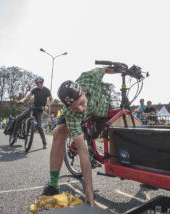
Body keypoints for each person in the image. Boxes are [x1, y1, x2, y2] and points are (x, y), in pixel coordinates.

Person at [41, 66, 117, 205]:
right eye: (76, 107)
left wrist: (121, 69)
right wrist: (89, 190)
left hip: (101, 108)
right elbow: (83, 152)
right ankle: (53, 184)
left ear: (84, 91)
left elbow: (105, 69)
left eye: (81, 103)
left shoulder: (90, 77)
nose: (81, 109)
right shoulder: (71, 113)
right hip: (77, 120)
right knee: (59, 131)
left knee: (121, 121)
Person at [15, 77, 53, 148]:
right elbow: (27, 96)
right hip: (33, 108)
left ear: (42, 83)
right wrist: (22, 100)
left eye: (38, 83)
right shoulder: (35, 90)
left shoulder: (47, 90)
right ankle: (15, 134)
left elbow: (51, 100)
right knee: (20, 117)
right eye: (36, 83)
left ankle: (44, 143)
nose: (37, 85)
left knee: (39, 126)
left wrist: (47, 105)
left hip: (40, 110)